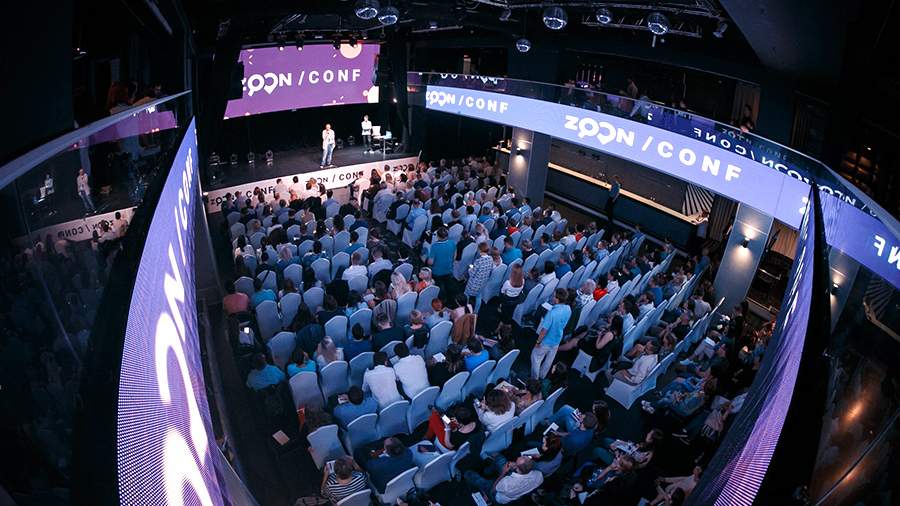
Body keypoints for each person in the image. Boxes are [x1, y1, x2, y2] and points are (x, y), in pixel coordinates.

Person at [464, 456, 543, 504]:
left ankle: (485, 496)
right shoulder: (539, 476)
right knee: (500, 459)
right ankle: (487, 471)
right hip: (515, 487)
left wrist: (504, 472)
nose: (515, 461)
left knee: (468, 474)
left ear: (517, 468)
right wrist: (514, 467)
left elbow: (494, 489)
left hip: (497, 495)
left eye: (516, 461)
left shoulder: (507, 483)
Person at [531, 288, 571, 379]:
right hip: (557, 339)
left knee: (535, 358)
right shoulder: (568, 309)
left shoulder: (552, 313)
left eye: (554, 296)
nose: (552, 298)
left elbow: (543, 331)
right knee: (548, 362)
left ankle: (534, 379)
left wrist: (538, 342)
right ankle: (542, 377)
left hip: (546, 340)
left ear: (557, 299)